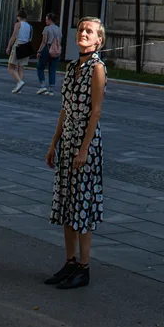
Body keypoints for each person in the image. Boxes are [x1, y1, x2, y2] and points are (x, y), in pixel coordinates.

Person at [43, 17, 106, 290]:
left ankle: (84, 267)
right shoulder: (72, 66)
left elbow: (96, 111)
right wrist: (53, 143)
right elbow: (65, 108)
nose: (83, 33)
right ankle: (69, 262)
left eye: (89, 31)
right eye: (81, 30)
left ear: (98, 40)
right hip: (67, 140)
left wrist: (84, 148)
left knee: (82, 205)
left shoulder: (97, 67)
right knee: (67, 203)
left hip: (86, 144)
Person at [8, 8, 34, 94]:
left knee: (11, 67)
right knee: (21, 68)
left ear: (19, 17)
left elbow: (14, 36)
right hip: (26, 46)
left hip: (18, 45)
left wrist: (8, 46)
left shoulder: (18, 24)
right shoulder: (30, 26)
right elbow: (30, 38)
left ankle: (19, 82)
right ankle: (19, 87)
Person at [36, 12, 62, 95]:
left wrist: (39, 51)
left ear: (50, 20)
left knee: (40, 67)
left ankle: (42, 86)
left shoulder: (47, 29)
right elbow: (59, 41)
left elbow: (44, 41)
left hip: (47, 49)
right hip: (56, 50)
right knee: (52, 69)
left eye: (46, 19)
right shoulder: (58, 29)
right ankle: (51, 90)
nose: (45, 20)